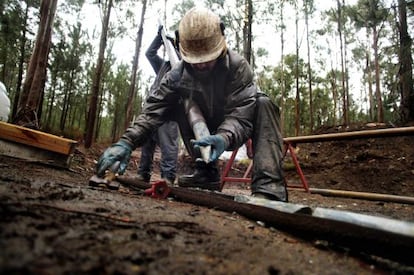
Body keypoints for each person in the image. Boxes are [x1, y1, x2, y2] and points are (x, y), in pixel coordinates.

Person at [96, 7, 288, 202]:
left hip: (233, 129)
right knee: (179, 102)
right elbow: (152, 111)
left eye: (207, 59)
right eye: (196, 60)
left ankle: (268, 187)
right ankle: (206, 172)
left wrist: (223, 137)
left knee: (263, 102)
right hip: (198, 137)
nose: (202, 65)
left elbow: (241, 115)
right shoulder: (176, 76)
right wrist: (126, 142)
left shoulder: (238, 67)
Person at [136, 27, 179, 184]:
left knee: (169, 146)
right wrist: (159, 38)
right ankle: (143, 173)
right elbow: (150, 54)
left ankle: (168, 177)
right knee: (147, 142)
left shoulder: (184, 66)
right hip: (152, 110)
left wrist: (173, 46)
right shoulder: (163, 66)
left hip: (169, 112)